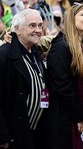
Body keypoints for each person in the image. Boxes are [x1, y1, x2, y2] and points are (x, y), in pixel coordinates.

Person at [45, 4, 83, 149]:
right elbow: (62, 88)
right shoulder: (61, 46)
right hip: (65, 120)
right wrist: (79, 117)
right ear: (71, 19)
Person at [0, 9, 48, 149]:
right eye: (32, 25)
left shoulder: (35, 52)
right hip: (12, 138)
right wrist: (3, 135)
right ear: (17, 29)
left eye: (40, 25)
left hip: (35, 133)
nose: (38, 30)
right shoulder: (4, 55)